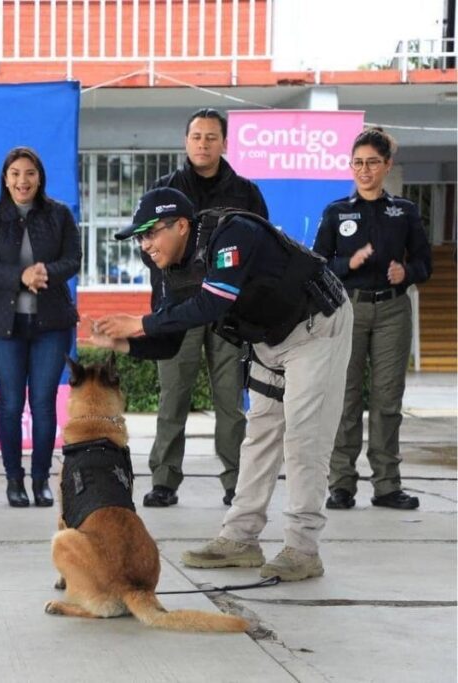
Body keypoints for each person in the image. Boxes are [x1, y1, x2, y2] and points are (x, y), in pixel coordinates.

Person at [91, 186, 352, 582]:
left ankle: (302, 549)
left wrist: (140, 324)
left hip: (316, 327)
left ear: (181, 225)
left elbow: (214, 301)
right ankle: (240, 539)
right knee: (260, 435)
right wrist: (124, 343)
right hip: (268, 340)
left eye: (150, 233)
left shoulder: (232, 233)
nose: (145, 245)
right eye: (139, 238)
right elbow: (169, 343)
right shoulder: (168, 270)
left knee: (303, 439)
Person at [143, 108, 269, 509]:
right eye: (196, 136)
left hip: (227, 313)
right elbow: (148, 248)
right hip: (177, 309)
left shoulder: (245, 192)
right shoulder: (163, 190)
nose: (203, 144)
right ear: (186, 141)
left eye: (211, 137)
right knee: (173, 398)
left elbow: (260, 249)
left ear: (224, 143)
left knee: (230, 401)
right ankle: (164, 480)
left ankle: (236, 480)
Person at [314, 128, 432, 511]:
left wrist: (407, 272)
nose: (364, 170)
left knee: (386, 401)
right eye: (358, 163)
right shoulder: (336, 212)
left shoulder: (405, 211)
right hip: (349, 308)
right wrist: (347, 263)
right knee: (345, 399)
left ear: (387, 166)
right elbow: (317, 267)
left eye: (372, 163)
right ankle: (341, 484)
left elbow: (424, 263)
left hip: (393, 310)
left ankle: (386, 485)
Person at [0, 147, 80, 508]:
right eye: (16, 174)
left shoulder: (60, 214)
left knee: (44, 403)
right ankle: (14, 480)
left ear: (40, 177)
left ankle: (40, 480)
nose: (23, 181)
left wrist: (44, 272)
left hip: (51, 323)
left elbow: (73, 259)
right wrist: (21, 276)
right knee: (10, 404)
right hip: (4, 326)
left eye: (30, 173)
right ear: (6, 179)